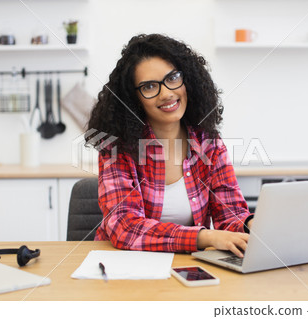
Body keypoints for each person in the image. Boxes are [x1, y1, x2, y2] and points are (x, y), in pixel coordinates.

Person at [87, 34, 253, 258]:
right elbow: (124, 228)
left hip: (188, 267)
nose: (166, 93)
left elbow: (229, 214)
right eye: (149, 86)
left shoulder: (208, 142)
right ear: (134, 98)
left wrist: (251, 224)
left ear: (188, 80)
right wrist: (205, 237)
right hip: (123, 268)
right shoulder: (117, 148)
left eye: (173, 78)